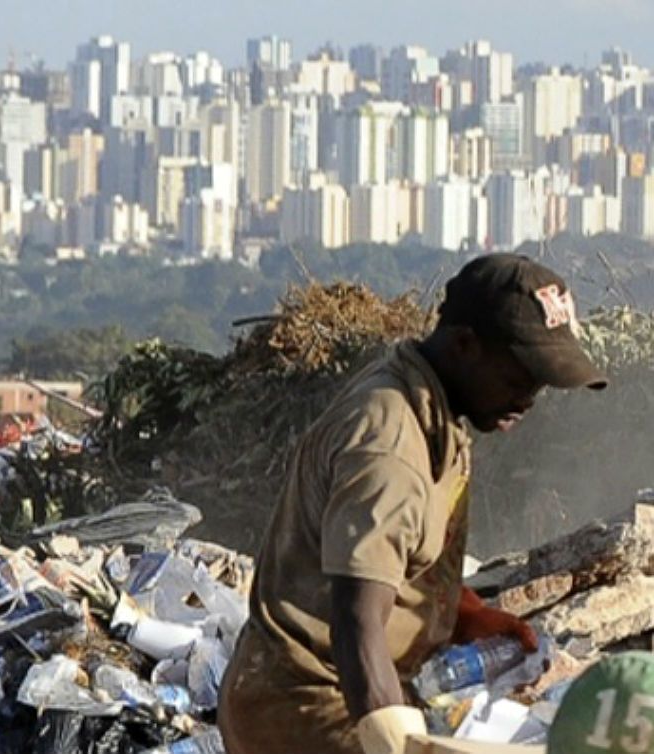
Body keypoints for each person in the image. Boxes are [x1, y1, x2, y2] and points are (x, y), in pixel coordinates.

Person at [217, 254, 608, 754]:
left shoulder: (430, 406)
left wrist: (460, 615)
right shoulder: (390, 445)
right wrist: (395, 742)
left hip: (341, 689)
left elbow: (396, 555)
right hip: (310, 706)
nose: (530, 397)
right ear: (466, 345)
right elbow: (356, 620)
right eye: (520, 376)